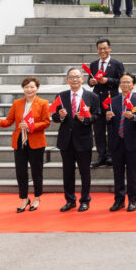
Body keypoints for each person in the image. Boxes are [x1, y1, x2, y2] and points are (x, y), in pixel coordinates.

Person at [0, 76, 50, 213]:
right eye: (26, 87)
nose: (29, 89)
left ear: (37, 88)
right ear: (23, 89)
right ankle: (24, 199)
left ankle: (36, 197)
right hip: (19, 142)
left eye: (32, 87)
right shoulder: (17, 103)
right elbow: (9, 121)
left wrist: (31, 126)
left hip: (36, 141)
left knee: (37, 171)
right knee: (21, 172)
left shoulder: (43, 103)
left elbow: (46, 122)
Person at [51, 67, 100, 212]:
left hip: (83, 140)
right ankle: (70, 200)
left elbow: (97, 116)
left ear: (82, 78)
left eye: (77, 77)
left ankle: (85, 200)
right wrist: (60, 115)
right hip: (66, 140)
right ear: (67, 80)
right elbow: (54, 117)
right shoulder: (60, 96)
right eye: (71, 77)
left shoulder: (92, 97)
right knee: (68, 172)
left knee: (85, 172)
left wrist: (86, 119)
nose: (74, 79)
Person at [105, 73, 136, 212]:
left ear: (133, 84)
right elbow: (108, 121)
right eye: (123, 82)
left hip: (132, 142)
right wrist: (108, 117)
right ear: (119, 84)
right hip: (116, 141)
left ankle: (132, 200)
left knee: (132, 173)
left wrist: (134, 116)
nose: (125, 85)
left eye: (128, 82)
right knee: (118, 173)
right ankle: (119, 200)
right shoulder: (113, 100)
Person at [87, 38, 124, 169]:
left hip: (111, 99)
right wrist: (91, 82)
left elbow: (121, 81)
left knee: (112, 129)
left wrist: (107, 80)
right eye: (100, 48)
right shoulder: (93, 64)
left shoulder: (117, 63)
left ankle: (111, 155)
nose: (102, 51)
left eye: (104, 48)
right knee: (98, 129)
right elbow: (89, 80)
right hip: (97, 100)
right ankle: (101, 155)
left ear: (110, 48)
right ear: (97, 50)